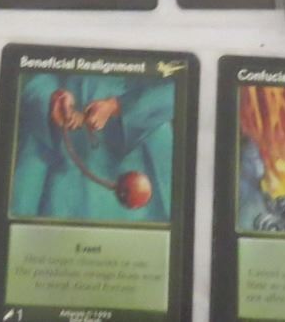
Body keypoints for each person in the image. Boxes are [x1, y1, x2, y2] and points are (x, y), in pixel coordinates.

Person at [11, 72, 174, 223]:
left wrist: (117, 106)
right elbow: (28, 75)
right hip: (55, 142)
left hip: (140, 138)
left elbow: (175, 86)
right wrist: (51, 98)